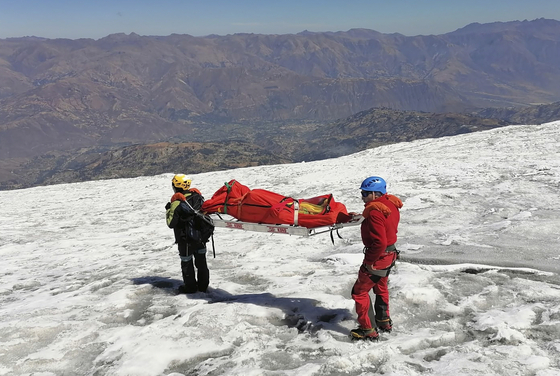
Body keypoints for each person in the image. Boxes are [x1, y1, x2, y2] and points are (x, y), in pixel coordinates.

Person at [350, 176, 403, 340]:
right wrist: (361, 216)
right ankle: (383, 320)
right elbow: (384, 221)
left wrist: (370, 262)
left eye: (365, 194)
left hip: (379, 257)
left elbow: (379, 242)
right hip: (390, 254)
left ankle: (367, 329)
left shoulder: (374, 212)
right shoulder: (390, 203)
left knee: (359, 292)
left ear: (374, 193)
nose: (363, 197)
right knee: (381, 287)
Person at [165, 174, 210, 294]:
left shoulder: (177, 203)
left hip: (185, 239)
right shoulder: (198, 197)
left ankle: (190, 288)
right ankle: (203, 287)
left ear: (175, 186)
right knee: (201, 262)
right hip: (201, 237)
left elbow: (171, 223)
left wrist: (168, 210)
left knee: (187, 263)